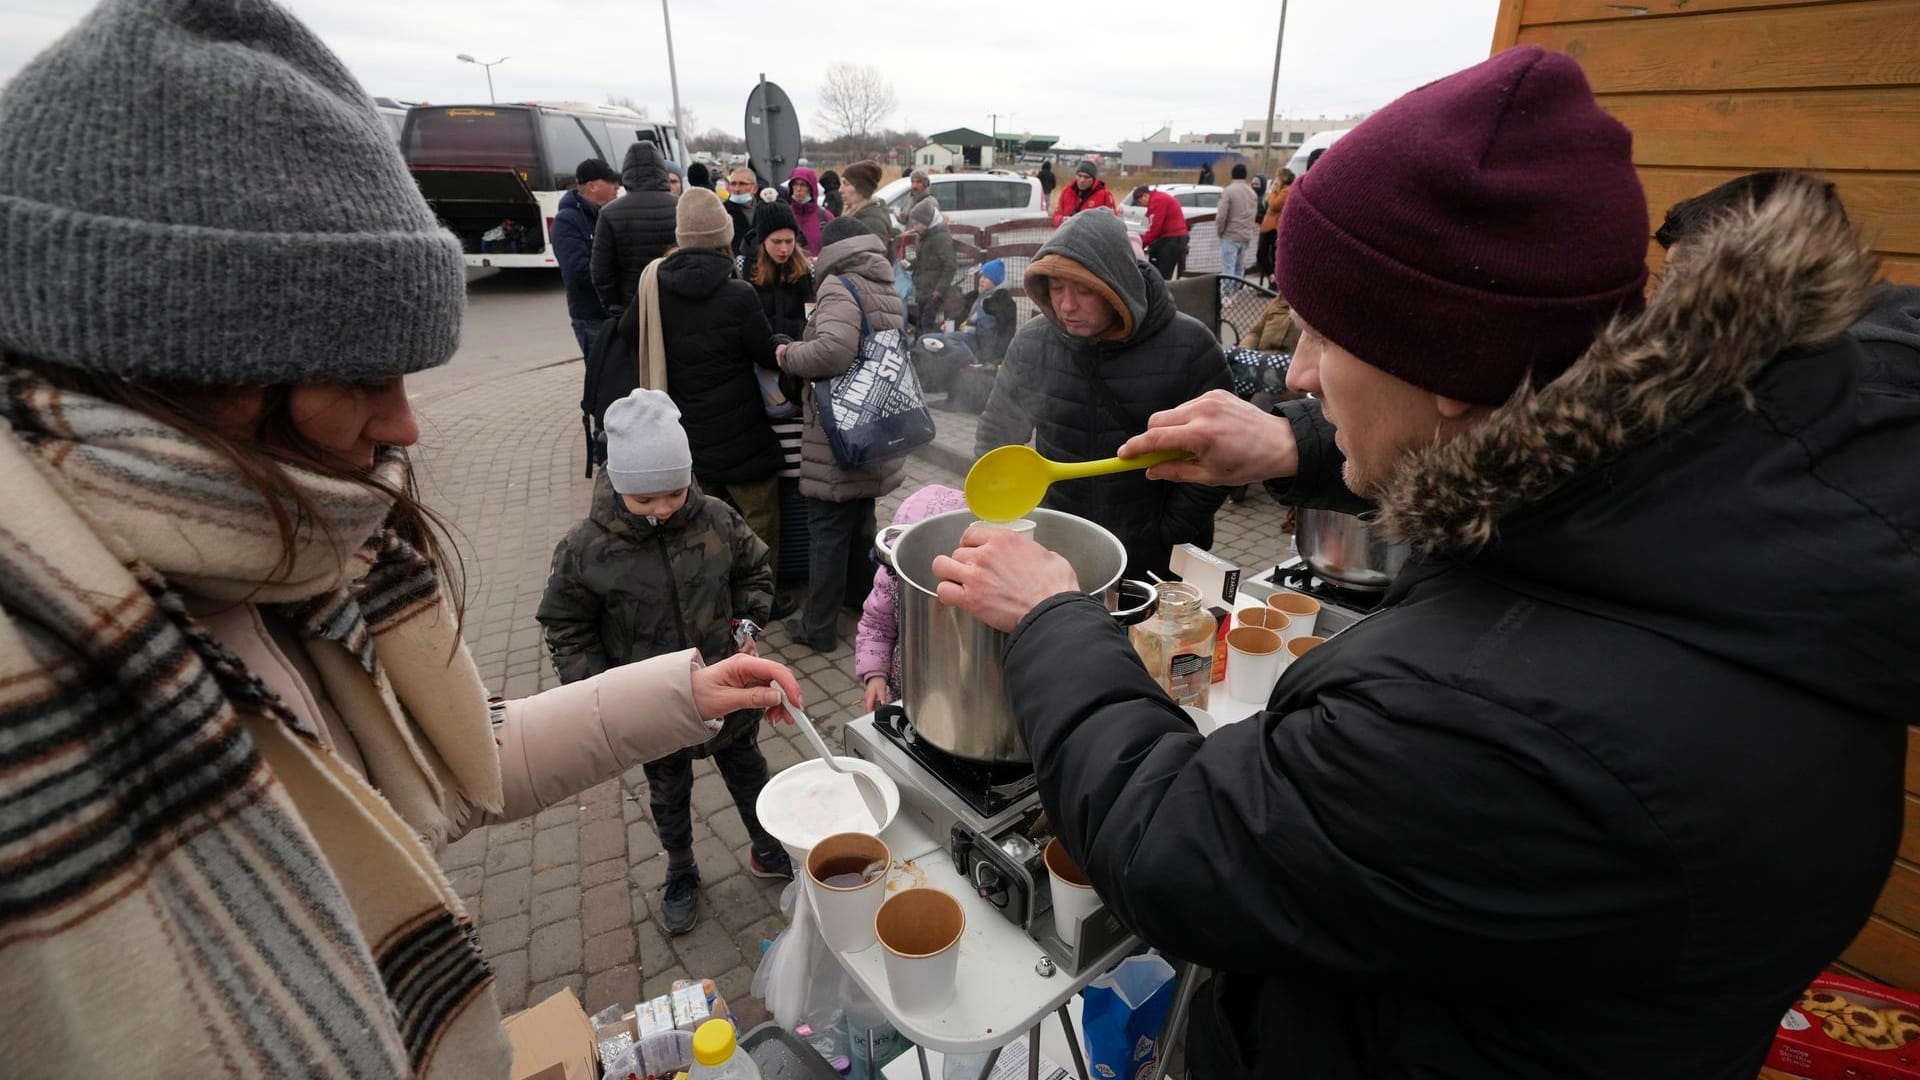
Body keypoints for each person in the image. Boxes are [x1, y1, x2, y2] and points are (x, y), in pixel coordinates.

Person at [931, 45, 1919, 1079]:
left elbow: (1177, 848)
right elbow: (1506, 458)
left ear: (1445, 362)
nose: (1298, 372)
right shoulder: (1717, 473)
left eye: (1322, 334)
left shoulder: (1490, 722)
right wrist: (1296, 445)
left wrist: (1054, 619)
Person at [0, 3, 806, 1076]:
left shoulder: (267, 547)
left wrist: (681, 694)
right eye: (359, 380)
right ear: (177, 374)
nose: (408, 426)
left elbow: (437, 762)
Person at [538, 390, 791, 935]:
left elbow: (755, 572)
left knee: (750, 773)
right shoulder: (586, 549)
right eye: (646, 499)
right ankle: (680, 868)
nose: (664, 508)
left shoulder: (717, 519)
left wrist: (746, 626)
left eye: (675, 492)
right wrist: (600, 690)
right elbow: (566, 624)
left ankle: (768, 846)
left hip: (728, 690)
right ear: (620, 487)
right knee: (668, 792)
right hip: (652, 709)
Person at [973, 210, 1230, 579]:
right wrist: (1005, 516)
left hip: (1156, 553)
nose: (1066, 306)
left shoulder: (1190, 346)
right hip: (1059, 543)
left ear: (1118, 286)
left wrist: (1171, 530)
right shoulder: (1033, 342)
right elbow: (997, 433)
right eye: (1056, 288)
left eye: (1084, 289)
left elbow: (1219, 454)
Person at [775, 216, 907, 651]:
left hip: (838, 436)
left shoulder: (838, 286)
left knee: (828, 533)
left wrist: (787, 353)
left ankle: (817, 629)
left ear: (830, 249)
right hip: (874, 428)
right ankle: (862, 601)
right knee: (859, 524)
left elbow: (831, 352)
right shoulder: (881, 282)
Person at [652, 191, 785, 573]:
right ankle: (762, 596)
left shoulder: (655, 287)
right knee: (760, 515)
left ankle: (710, 591)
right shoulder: (739, 293)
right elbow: (764, 352)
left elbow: (632, 336)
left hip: (688, 430)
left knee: (699, 521)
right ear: (725, 235)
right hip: (742, 430)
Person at [859, 484, 966, 712]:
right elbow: (875, 627)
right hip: (904, 690)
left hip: (962, 694)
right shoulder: (891, 579)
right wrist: (875, 675)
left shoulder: (974, 591)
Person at [592, 140, 679, 318]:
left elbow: (601, 271)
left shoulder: (609, 213)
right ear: (661, 170)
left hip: (632, 307)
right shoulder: (681, 207)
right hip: (677, 302)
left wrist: (615, 306)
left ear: (627, 172)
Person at [554, 157, 620, 357]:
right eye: (610, 182)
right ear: (592, 186)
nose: (617, 186)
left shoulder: (609, 215)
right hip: (591, 318)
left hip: (615, 313)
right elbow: (577, 271)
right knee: (600, 380)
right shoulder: (567, 220)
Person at [749, 200, 815, 339]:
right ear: (763, 241)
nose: (784, 249)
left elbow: (812, 318)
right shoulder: (747, 268)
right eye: (776, 242)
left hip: (797, 351)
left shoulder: (805, 271)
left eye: (789, 241)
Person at [906, 196, 957, 335]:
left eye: (917, 224)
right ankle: (920, 349)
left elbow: (950, 265)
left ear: (927, 222)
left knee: (926, 323)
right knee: (921, 322)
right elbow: (924, 260)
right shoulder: (924, 236)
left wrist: (939, 290)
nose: (914, 227)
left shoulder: (940, 238)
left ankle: (927, 351)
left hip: (933, 291)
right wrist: (910, 264)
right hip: (924, 289)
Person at [1131, 184, 1189, 281]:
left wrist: (1140, 245)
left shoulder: (1157, 201)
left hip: (1171, 240)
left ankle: (1161, 294)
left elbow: (1154, 229)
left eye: (1139, 201)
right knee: (1162, 273)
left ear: (1145, 195)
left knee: (1161, 276)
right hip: (1176, 238)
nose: (1140, 204)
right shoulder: (1160, 197)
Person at [1214, 162, 1259, 286]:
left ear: (1232, 175)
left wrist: (1220, 231)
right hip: (1245, 236)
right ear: (1245, 176)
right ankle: (1236, 294)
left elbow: (1221, 215)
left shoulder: (1229, 191)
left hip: (1230, 235)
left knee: (1228, 268)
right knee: (1239, 267)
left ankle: (1227, 297)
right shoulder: (1252, 193)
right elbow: (1253, 216)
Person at [840, 159, 894, 247]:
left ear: (861, 188)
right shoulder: (854, 213)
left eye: (846, 184)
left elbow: (872, 259)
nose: (840, 190)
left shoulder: (872, 223)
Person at [784, 165, 832, 255]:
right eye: (795, 184)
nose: (798, 189)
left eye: (803, 185)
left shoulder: (825, 217)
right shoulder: (784, 215)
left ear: (811, 188)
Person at [1052, 158, 1117, 225]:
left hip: (1093, 234)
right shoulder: (1066, 191)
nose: (1082, 180)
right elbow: (1056, 215)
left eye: (1086, 177)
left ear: (1093, 179)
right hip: (1069, 233)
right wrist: (1061, 220)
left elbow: (1113, 220)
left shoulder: (1105, 195)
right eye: (1079, 176)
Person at [1255, 167, 1293, 281]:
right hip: (1269, 227)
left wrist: (1273, 191)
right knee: (1263, 254)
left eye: (1277, 178)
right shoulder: (1281, 191)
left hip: (1274, 228)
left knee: (1269, 255)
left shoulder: (1286, 191)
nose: (1275, 181)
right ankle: (1273, 277)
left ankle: (1274, 279)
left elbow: (1274, 204)